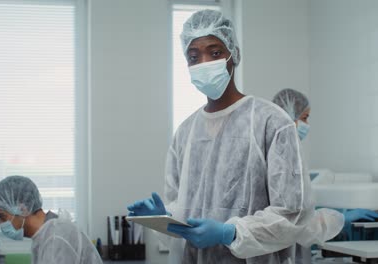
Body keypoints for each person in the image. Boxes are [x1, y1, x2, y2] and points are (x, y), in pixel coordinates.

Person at [127, 10, 340, 264]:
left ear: (233, 55)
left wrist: (230, 232)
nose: (204, 62)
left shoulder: (272, 122)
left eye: (215, 52)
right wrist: (166, 218)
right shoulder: (185, 133)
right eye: (194, 57)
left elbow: (293, 215)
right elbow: (183, 207)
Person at [272, 88, 378, 263]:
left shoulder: (283, 154)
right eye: (305, 118)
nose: (307, 125)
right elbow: (298, 224)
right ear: (289, 117)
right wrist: (342, 218)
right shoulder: (286, 160)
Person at [0, 175, 103, 264]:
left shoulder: (56, 237)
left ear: (22, 209)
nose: (1, 224)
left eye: (2, 216)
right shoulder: (44, 236)